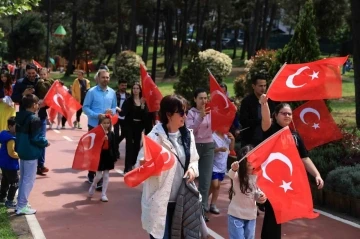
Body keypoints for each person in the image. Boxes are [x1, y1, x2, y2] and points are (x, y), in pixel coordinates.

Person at [259, 95, 324, 239]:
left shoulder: (294, 135)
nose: (287, 116)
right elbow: (265, 119)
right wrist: (264, 104)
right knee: (273, 211)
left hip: (286, 181)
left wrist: (317, 174)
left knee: (279, 213)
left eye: (289, 113)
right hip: (270, 179)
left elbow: (305, 158)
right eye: (284, 113)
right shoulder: (270, 129)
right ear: (276, 116)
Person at [136, 95, 199, 239]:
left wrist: (192, 170)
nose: (185, 116)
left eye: (186, 111)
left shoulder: (188, 136)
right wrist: (145, 164)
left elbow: (194, 160)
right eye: (181, 113)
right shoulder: (154, 138)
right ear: (169, 115)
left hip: (182, 200)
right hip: (159, 202)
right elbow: (140, 166)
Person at [11, 63, 50, 176]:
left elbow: (48, 98)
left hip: (40, 116)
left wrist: (44, 104)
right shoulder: (20, 83)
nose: (32, 76)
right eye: (29, 74)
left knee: (41, 139)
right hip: (25, 118)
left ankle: (40, 165)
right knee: (25, 140)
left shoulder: (41, 81)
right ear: (26, 73)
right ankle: (22, 161)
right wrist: (24, 94)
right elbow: (14, 98)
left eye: (33, 73)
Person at [15, 94, 50, 215]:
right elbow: (36, 138)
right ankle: (22, 206)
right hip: (30, 151)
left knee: (23, 178)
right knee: (28, 179)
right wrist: (45, 142)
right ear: (34, 105)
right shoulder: (34, 119)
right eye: (37, 104)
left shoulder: (19, 116)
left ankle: (20, 202)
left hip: (22, 150)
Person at [83, 69, 117, 186]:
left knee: (105, 151)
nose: (105, 79)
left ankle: (101, 175)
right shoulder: (91, 92)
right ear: (98, 78)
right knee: (94, 151)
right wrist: (97, 115)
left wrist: (110, 112)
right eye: (103, 77)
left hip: (107, 127)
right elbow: (85, 108)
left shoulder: (112, 92)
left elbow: (114, 107)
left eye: (107, 77)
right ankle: (91, 174)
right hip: (94, 125)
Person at [228, 145, 267, 239]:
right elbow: (231, 174)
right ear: (243, 160)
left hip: (251, 216)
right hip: (236, 215)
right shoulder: (237, 175)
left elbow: (257, 193)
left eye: (253, 158)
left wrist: (261, 197)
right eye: (248, 158)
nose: (250, 161)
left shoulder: (258, 176)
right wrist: (233, 168)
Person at [185, 88, 213, 221]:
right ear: (195, 99)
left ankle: (202, 211)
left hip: (208, 146)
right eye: (200, 98)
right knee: (191, 179)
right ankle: (189, 208)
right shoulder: (190, 113)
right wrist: (200, 117)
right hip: (194, 146)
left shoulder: (211, 112)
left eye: (205, 98)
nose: (203, 101)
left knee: (205, 180)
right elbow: (190, 129)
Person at [118, 83, 149, 173]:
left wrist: (143, 105)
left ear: (140, 90)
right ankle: (127, 167)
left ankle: (133, 164)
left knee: (136, 146)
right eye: (134, 88)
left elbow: (145, 115)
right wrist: (117, 109)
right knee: (129, 146)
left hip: (139, 127)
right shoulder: (129, 101)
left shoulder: (143, 101)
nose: (135, 90)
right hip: (129, 126)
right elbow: (123, 113)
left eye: (137, 88)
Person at [239, 77, 277, 147]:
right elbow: (243, 121)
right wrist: (263, 121)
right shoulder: (247, 101)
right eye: (260, 86)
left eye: (264, 86)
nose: (263, 88)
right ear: (253, 86)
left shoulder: (270, 100)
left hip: (268, 137)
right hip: (251, 138)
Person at [88, 115, 117, 202]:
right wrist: (102, 140)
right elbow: (94, 145)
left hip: (108, 156)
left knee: (106, 175)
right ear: (100, 123)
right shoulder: (97, 133)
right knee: (99, 175)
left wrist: (114, 157)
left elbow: (114, 146)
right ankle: (93, 185)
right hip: (100, 156)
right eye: (104, 123)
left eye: (108, 123)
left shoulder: (111, 133)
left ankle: (103, 194)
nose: (106, 125)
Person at [209, 131, 235, 214]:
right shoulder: (213, 136)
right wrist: (219, 149)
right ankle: (202, 200)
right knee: (215, 185)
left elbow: (231, 148)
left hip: (222, 166)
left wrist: (233, 139)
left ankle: (212, 204)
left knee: (217, 186)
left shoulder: (227, 136)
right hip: (214, 165)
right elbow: (209, 150)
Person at [0, 117, 19, 209]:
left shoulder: (5, 135)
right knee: (15, 182)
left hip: (3, 163)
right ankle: (10, 200)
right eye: (16, 126)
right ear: (10, 126)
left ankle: (2, 196)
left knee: (5, 180)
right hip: (10, 164)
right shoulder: (11, 139)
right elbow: (11, 153)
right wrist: (21, 155)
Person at [114, 79, 130, 149]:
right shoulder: (114, 94)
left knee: (124, 133)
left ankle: (114, 144)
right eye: (122, 85)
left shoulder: (129, 95)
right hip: (116, 117)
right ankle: (116, 152)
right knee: (116, 134)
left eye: (125, 85)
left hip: (125, 118)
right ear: (119, 86)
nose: (124, 87)